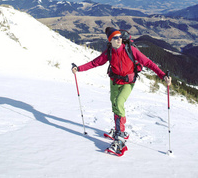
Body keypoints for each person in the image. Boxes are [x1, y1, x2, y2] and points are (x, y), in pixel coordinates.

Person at [72, 27, 172, 155]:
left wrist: (162, 75)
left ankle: (120, 138)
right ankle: (119, 130)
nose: (119, 39)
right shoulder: (109, 52)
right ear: (110, 41)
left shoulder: (130, 50)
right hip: (114, 81)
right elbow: (95, 63)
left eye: (120, 37)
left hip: (128, 82)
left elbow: (148, 62)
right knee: (114, 103)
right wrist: (79, 69)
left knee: (119, 102)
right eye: (116, 38)